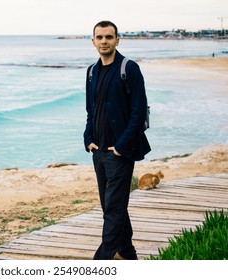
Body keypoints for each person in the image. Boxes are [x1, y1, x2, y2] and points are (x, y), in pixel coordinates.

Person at [83, 20, 151, 260]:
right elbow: (91, 110)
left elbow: (138, 111)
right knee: (111, 205)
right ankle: (127, 250)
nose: (104, 41)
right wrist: (88, 137)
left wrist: (121, 146)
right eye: (99, 37)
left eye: (108, 37)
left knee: (113, 207)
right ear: (93, 41)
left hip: (119, 152)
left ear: (117, 40)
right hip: (98, 150)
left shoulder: (128, 68)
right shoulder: (91, 71)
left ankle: (102, 259)